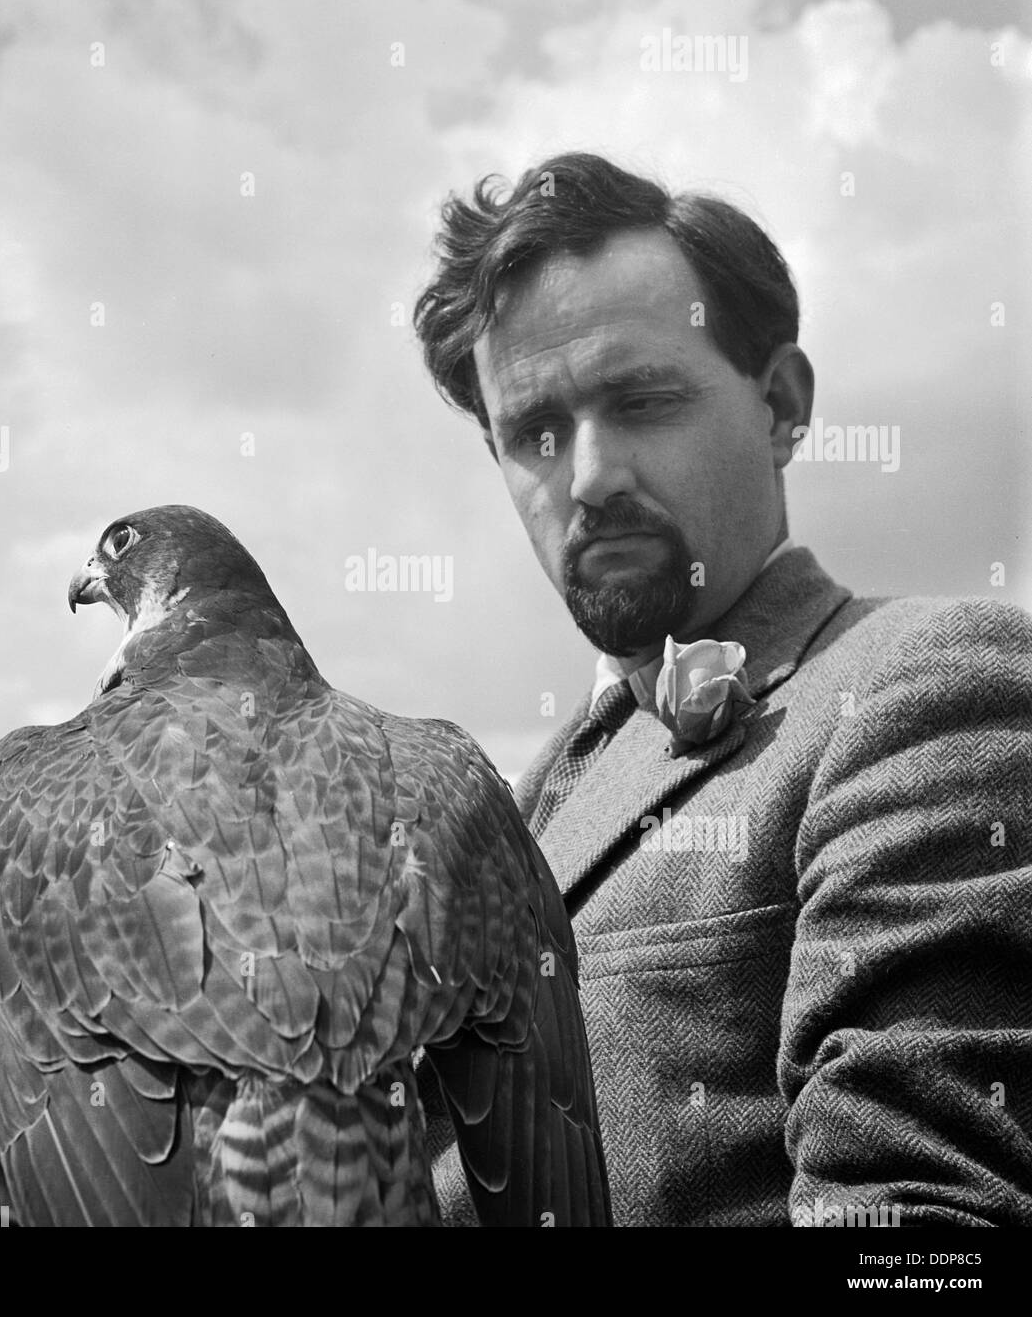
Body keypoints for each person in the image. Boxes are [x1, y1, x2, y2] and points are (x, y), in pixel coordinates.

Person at [411, 151, 1032, 1226]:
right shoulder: (513, 806)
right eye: (533, 434)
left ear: (781, 403)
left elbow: (921, 1234)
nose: (588, 477)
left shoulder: (929, 686)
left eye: (642, 400)